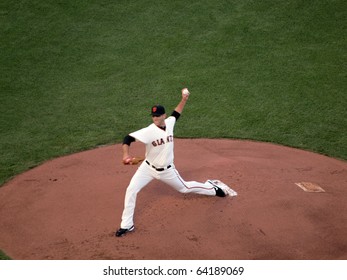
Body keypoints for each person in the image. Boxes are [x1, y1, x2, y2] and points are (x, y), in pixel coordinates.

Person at [115, 88, 236, 237]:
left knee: (184, 188)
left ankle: (212, 187)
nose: (155, 118)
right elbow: (127, 138)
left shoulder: (170, 122)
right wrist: (126, 155)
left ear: (163, 116)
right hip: (147, 168)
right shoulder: (148, 131)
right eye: (153, 116)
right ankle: (127, 225)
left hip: (167, 170)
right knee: (131, 190)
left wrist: (184, 99)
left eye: (158, 115)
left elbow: (176, 113)